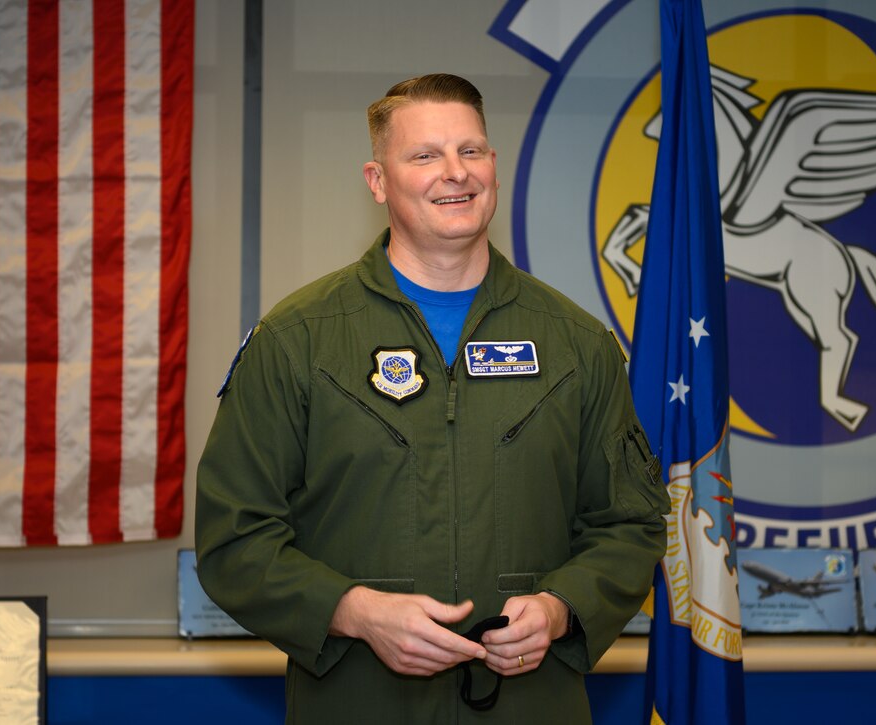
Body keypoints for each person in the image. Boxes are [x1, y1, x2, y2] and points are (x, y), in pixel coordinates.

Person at [195, 73, 669, 724]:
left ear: (493, 167)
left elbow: (630, 524)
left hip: (529, 705)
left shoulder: (576, 343)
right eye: (425, 155)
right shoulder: (298, 340)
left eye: (470, 151)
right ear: (378, 180)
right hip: (359, 704)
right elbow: (233, 537)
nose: (455, 173)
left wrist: (562, 606)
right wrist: (351, 610)